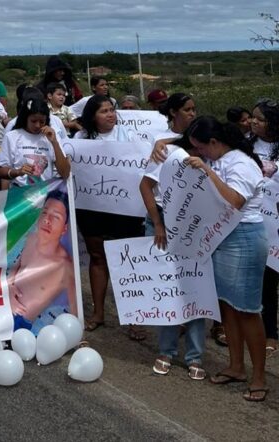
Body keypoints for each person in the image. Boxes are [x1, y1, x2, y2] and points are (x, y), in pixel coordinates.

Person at [180, 117, 269, 402]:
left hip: (243, 238)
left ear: (215, 143)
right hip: (221, 237)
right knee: (227, 308)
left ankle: (258, 377)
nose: (199, 154)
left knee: (246, 310)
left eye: (201, 148)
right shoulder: (221, 158)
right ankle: (236, 366)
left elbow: (235, 200)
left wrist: (207, 172)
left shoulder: (240, 162)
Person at [74, 95, 146, 341]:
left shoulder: (129, 137)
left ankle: (135, 317)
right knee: (97, 257)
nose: (110, 114)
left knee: (128, 260)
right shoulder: (81, 139)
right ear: (92, 115)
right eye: (104, 111)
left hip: (125, 209)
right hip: (92, 207)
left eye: (112, 110)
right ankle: (98, 313)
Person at [139, 127, 208, 380]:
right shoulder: (168, 153)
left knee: (194, 290)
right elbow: (145, 186)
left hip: (195, 228)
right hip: (163, 225)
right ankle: (166, 351)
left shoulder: (212, 158)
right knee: (165, 289)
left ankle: (195, 356)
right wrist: (158, 223)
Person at [8, 189, 77, 331]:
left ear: (64, 229)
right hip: (4, 304)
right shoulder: (30, 239)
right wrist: (9, 289)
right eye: (44, 213)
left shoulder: (64, 266)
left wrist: (78, 335)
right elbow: (15, 267)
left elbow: (76, 309)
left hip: (20, 323)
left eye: (55, 217)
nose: (47, 220)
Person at [250, 98, 279, 357]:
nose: (253, 122)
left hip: (274, 224)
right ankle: (222, 325)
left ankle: (271, 331)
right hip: (246, 219)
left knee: (270, 280)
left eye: (259, 119)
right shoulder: (243, 144)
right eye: (253, 118)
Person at [0, 98, 71, 189]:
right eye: (33, 121)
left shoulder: (51, 137)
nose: (37, 125)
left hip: (45, 194)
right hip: (20, 194)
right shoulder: (12, 137)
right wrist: (18, 172)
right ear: (25, 118)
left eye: (42, 122)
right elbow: (0, 171)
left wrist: (54, 143)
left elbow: (65, 173)